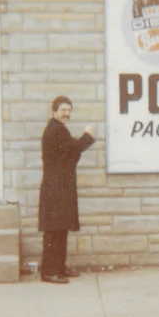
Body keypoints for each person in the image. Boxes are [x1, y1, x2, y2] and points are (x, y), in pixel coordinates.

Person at [38, 96, 95, 284]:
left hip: (59, 186)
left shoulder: (58, 129)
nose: (67, 114)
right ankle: (49, 272)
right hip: (55, 187)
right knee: (54, 230)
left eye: (69, 110)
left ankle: (59, 267)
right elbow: (75, 147)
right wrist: (87, 135)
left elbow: (70, 152)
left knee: (60, 228)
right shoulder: (56, 130)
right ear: (54, 111)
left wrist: (76, 148)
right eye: (63, 110)